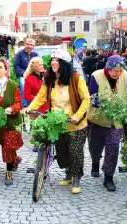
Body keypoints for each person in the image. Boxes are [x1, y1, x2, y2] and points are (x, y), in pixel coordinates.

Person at [26, 49, 90, 194]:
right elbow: (40, 97)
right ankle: (68, 173)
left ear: (65, 64)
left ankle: (76, 178)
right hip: (57, 124)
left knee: (75, 151)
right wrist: (29, 109)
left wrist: (77, 115)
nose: (53, 62)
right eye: (52, 60)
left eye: (57, 60)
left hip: (76, 124)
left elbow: (86, 99)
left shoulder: (76, 78)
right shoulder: (49, 79)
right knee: (62, 152)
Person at [87, 55, 127, 191]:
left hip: (117, 120)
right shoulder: (96, 76)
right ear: (108, 69)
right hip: (98, 119)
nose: (118, 74)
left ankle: (108, 177)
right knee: (95, 147)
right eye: (115, 71)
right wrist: (98, 102)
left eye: (120, 71)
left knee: (113, 146)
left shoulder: (124, 75)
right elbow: (93, 95)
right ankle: (95, 162)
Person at [14, 38, 39, 107]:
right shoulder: (19, 55)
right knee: (23, 84)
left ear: (33, 46)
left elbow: (39, 66)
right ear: (24, 44)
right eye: (27, 44)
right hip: (23, 75)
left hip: (33, 75)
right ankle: (24, 104)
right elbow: (16, 67)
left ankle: (36, 103)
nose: (29, 46)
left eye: (31, 45)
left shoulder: (35, 55)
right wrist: (24, 74)